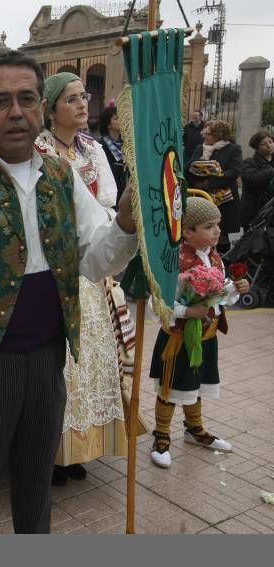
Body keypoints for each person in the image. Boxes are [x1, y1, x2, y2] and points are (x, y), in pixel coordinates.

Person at [0, 49, 138, 534]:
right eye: (0, 101)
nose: (16, 111)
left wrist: (123, 223)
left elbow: (96, 258)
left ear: (41, 107)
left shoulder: (60, 176)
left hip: (49, 362)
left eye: (27, 99)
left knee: (37, 492)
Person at [35, 72, 128, 487]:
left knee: (88, 359)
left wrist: (103, 226)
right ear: (51, 108)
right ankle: (52, 451)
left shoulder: (92, 148)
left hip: (88, 266)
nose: (81, 104)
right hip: (54, 268)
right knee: (61, 365)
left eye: (83, 96)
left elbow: (107, 200)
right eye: (71, 99)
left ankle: (79, 448)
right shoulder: (38, 149)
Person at [148, 197, 249, 468]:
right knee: (171, 388)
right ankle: (161, 436)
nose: (217, 231)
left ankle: (195, 429)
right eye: (209, 225)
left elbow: (216, 298)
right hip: (179, 339)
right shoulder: (175, 261)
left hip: (206, 336)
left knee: (197, 384)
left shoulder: (214, 257)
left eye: (218, 224)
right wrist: (186, 313)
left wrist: (233, 290)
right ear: (188, 231)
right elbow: (157, 303)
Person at [186, 119, 243, 253]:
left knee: (222, 234)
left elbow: (233, 172)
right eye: (204, 132)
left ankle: (221, 263)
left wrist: (208, 182)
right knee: (201, 231)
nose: (204, 135)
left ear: (219, 135)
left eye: (208, 133)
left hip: (225, 201)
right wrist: (197, 176)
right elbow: (188, 168)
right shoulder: (200, 148)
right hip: (203, 198)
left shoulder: (233, 149)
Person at [240, 131, 274, 229]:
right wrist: (271, 170)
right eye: (264, 144)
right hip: (254, 212)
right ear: (257, 148)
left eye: (270, 142)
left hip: (271, 213)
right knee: (254, 243)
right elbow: (253, 179)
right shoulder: (249, 163)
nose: (269, 145)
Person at [98, 106, 127, 206]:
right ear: (108, 124)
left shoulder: (126, 146)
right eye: (116, 118)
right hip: (109, 199)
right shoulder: (100, 146)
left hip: (124, 197)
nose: (121, 120)